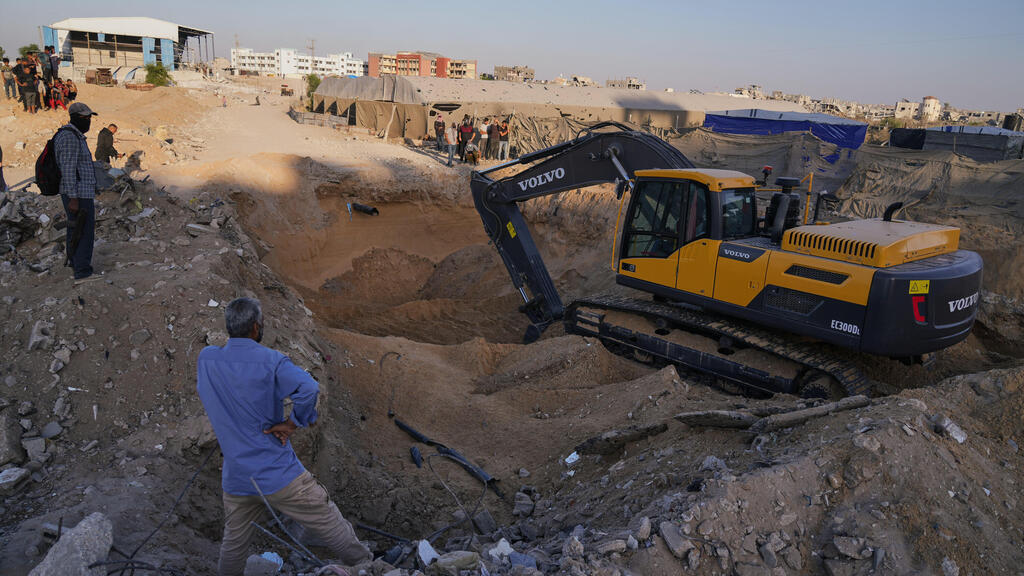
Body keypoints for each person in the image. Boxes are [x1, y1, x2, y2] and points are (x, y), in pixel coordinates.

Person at [197, 298, 372, 576]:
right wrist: (292, 423)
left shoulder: (207, 359)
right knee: (325, 516)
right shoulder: (271, 361)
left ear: (229, 326)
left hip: (237, 478)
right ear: (256, 327)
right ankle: (368, 566)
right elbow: (309, 389)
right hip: (277, 473)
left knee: (234, 543)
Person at [55, 102, 99, 281]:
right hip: (78, 194)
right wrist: (73, 198)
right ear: (74, 118)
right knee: (84, 231)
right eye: (85, 118)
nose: (88, 121)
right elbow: (68, 169)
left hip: (82, 192)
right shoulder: (69, 137)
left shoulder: (76, 136)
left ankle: (75, 263)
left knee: (76, 229)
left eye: (89, 117)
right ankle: (82, 272)